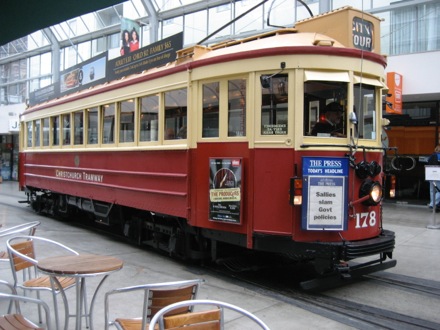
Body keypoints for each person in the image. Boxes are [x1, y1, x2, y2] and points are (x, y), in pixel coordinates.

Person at [427, 145, 440, 210]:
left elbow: (428, 163)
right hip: (438, 176)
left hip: (430, 176)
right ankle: (433, 204)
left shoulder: (432, 156)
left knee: (432, 190)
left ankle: (432, 204)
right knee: (439, 190)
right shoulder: (439, 156)